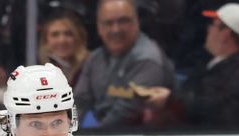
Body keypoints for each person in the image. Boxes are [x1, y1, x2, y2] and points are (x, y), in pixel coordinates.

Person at [145, 3, 239, 127]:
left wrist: (171, 99)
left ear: (225, 34)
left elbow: (214, 107)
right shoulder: (214, 63)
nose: (208, 29)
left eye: (213, 25)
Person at [74, 0, 175, 128]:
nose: (116, 29)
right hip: (103, 135)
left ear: (136, 22)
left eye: (123, 21)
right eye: (108, 23)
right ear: (99, 27)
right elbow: (79, 102)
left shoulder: (148, 60)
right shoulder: (94, 59)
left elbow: (125, 114)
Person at [38, 9, 89, 88]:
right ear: (46, 40)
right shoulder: (36, 71)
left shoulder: (91, 66)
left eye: (68, 34)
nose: (62, 40)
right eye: (55, 35)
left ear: (78, 37)